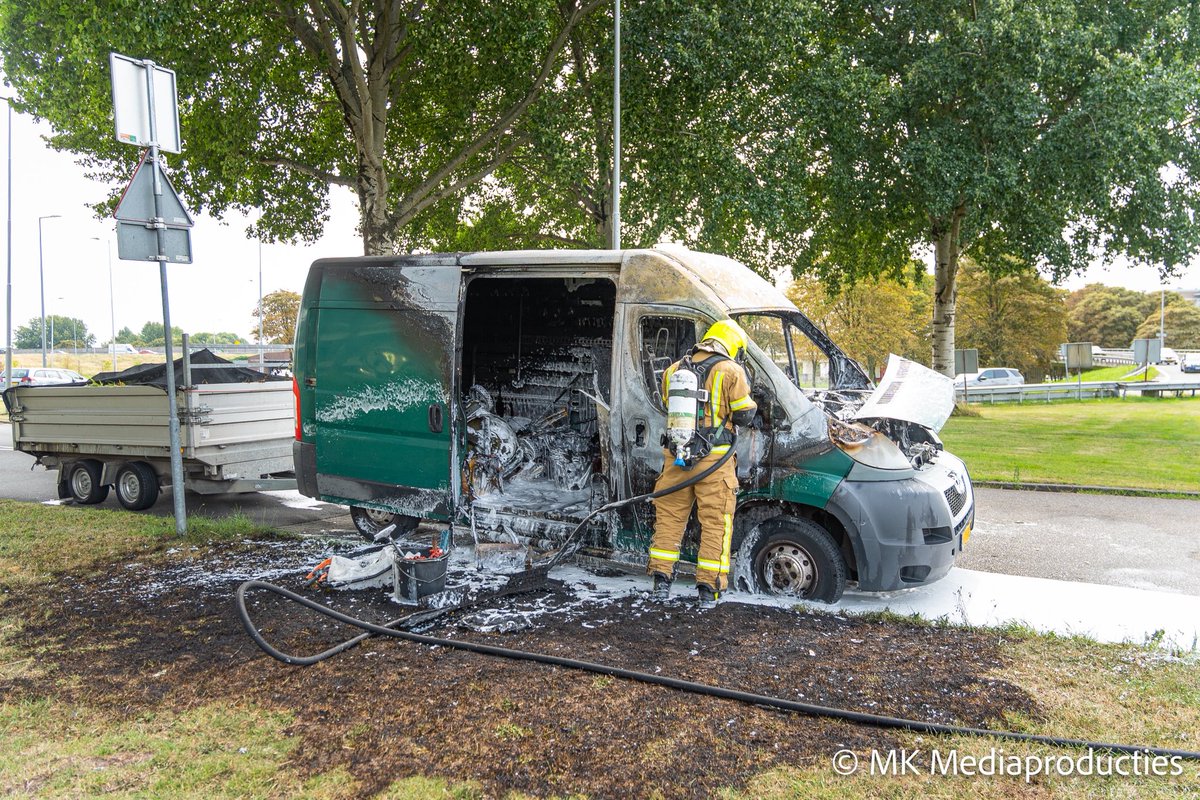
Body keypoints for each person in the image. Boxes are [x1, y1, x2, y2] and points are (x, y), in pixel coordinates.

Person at [647, 319, 757, 606]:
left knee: (669, 519)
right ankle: (709, 590)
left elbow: (668, 405)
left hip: (677, 457)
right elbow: (744, 415)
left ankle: (661, 584)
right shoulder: (731, 370)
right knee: (716, 523)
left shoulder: (673, 370)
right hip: (714, 461)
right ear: (733, 346)